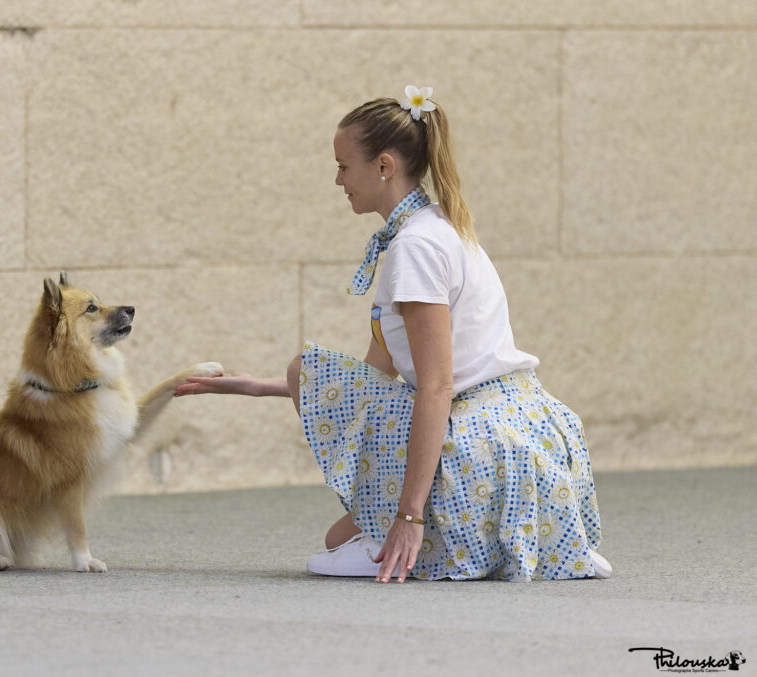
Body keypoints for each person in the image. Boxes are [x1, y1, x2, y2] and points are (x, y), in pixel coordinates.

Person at [174, 86, 608, 584]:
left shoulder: (416, 248)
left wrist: (408, 518)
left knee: (308, 373)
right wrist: (264, 387)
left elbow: (437, 386)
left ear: (383, 167)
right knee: (337, 537)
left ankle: (428, 537)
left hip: (478, 441)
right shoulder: (437, 225)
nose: (337, 180)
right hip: (520, 426)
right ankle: (529, 538)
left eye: (342, 166)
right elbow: (374, 376)